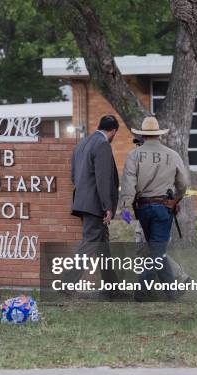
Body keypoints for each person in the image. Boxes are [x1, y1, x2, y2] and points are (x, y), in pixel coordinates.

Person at [119, 117, 190, 301]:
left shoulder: (134, 155)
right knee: (157, 250)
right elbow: (183, 184)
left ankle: (163, 291)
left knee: (156, 250)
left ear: (142, 134)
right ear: (158, 134)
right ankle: (150, 291)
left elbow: (128, 184)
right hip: (163, 207)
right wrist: (176, 199)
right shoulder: (172, 154)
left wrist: (125, 208)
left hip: (143, 208)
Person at [71, 115, 120, 298]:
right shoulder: (102, 144)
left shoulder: (82, 144)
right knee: (89, 244)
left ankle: (112, 289)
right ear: (113, 131)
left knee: (102, 247)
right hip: (96, 205)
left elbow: (73, 176)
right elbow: (103, 179)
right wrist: (107, 206)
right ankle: (65, 283)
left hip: (83, 202)